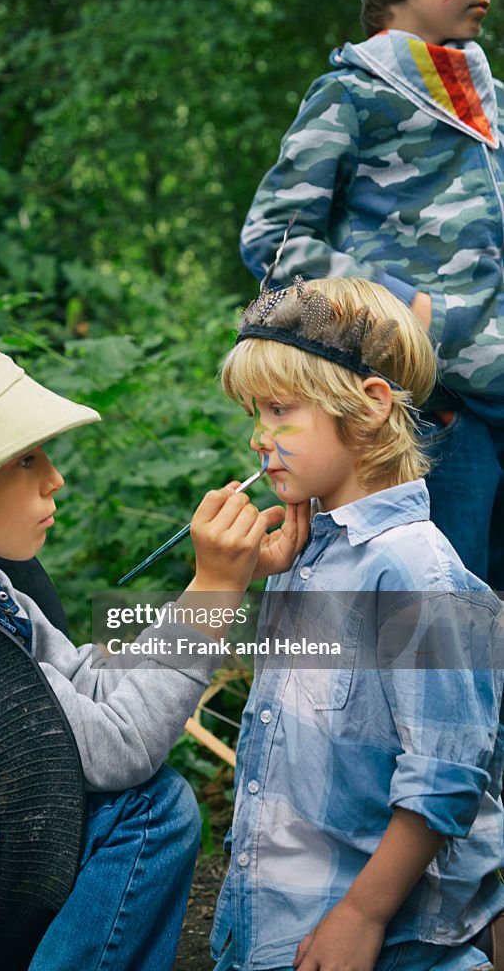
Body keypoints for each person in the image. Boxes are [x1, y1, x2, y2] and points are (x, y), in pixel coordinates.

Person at [0, 316, 309, 971]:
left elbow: (89, 683)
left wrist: (221, 583)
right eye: (26, 458)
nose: (54, 479)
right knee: (148, 810)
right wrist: (213, 591)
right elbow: (118, 747)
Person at [210, 274, 504, 971]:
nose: (258, 437)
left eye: (279, 410)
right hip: (274, 926)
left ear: (369, 406)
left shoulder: (413, 571)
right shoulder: (300, 554)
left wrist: (363, 914)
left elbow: (444, 776)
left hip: (384, 944)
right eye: (254, 412)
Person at [239, 0, 504, 587]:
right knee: (439, 631)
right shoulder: (352, 94)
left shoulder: (490, 103)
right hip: (435, 420)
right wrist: (413, 318)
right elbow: (274, 243)